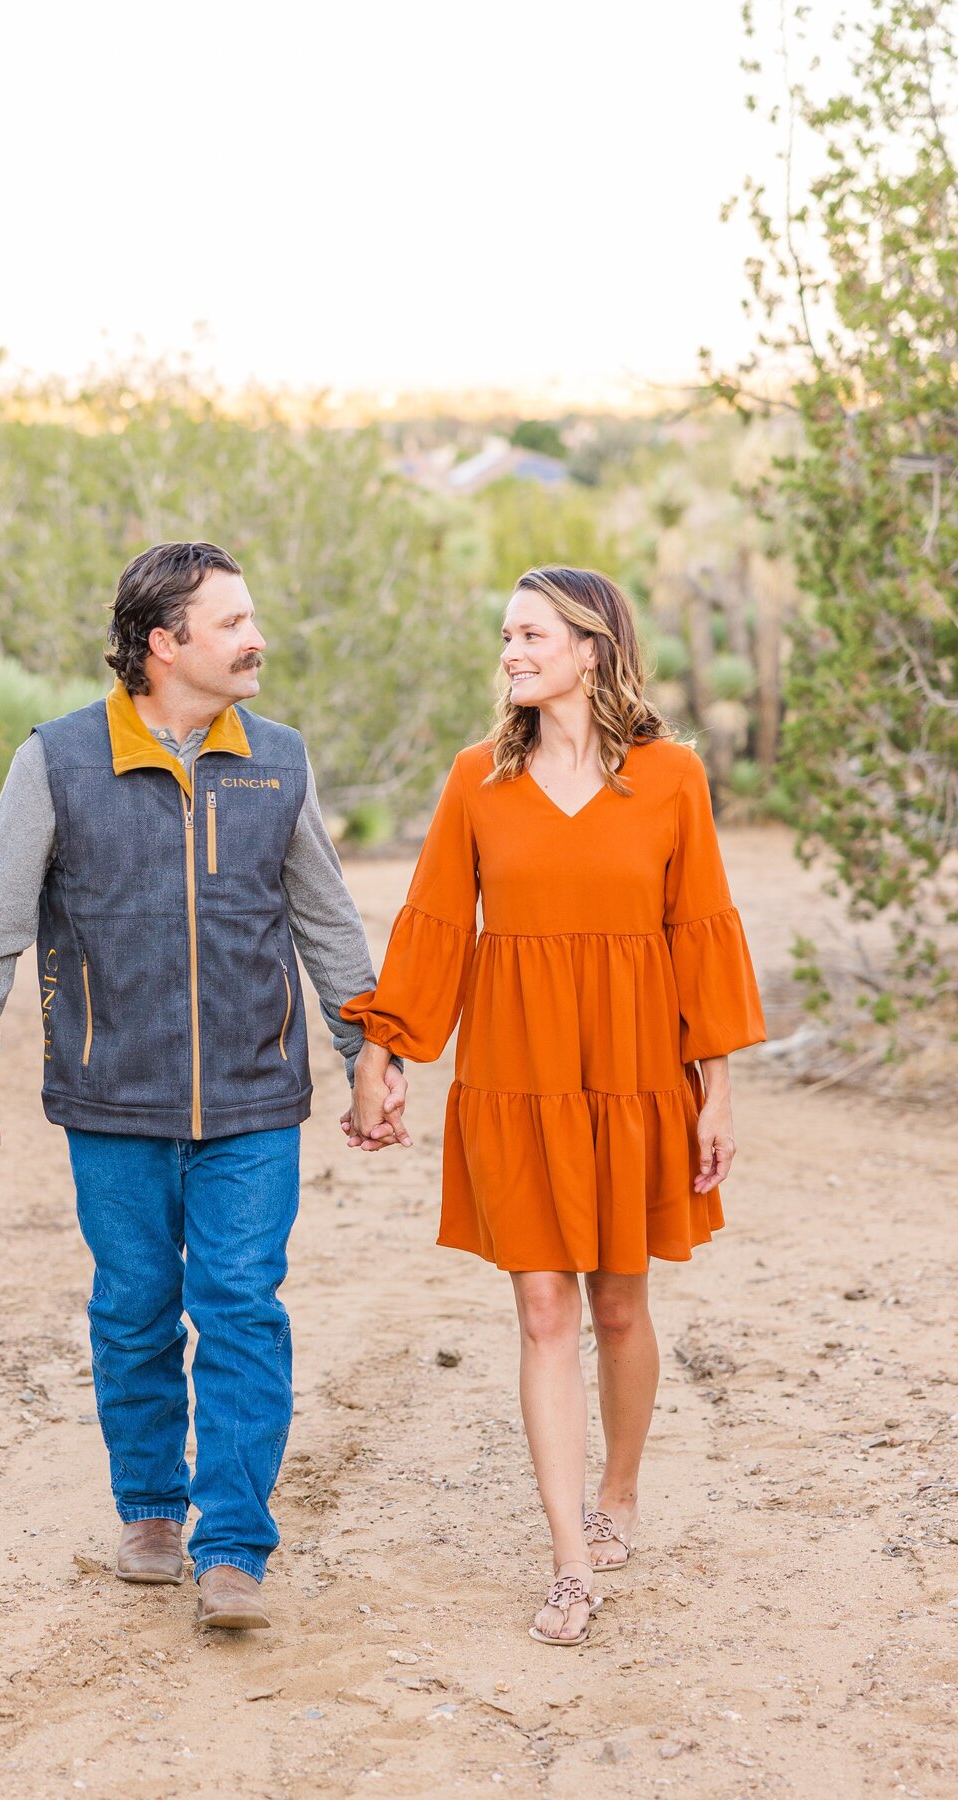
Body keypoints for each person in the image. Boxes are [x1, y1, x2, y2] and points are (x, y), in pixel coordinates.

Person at [0, 541, 407, 1631]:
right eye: (232, 622)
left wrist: (367, 1056)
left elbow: (328, 925)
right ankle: (149, 1508)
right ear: (165, 643)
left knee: (242, 1308)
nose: (256, 640)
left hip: (253, 1100)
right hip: (112, 1099)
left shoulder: (277, 761)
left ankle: (233, 1544)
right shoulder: (57, 762)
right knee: (135, 1310)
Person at [341, 565, 765, 1646]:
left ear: (591, 648)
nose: (512, 652)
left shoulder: (672, 778)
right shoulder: (475, 779)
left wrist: (716, 1094)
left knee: (619, 1308)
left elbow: (702, 932)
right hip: (518, 1080)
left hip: (631, 1079)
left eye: (531, 634)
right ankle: (570, 1563)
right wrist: (383, 1055)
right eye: (506, 636)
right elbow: (434, 921)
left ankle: (617, 1495)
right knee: (541, 1310)